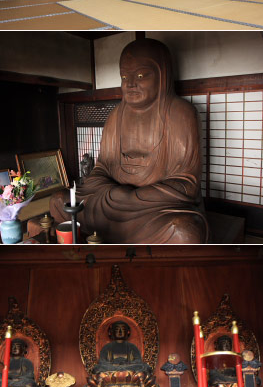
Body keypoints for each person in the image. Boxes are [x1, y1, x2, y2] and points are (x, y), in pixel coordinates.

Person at [82, 39, 208, 243]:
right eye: (124, 76)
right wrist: (115, 193)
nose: (130, 83)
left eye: (141, 75)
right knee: (61, 201)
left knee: (185, 232)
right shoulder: (115, 117)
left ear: (162, 74)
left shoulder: (181, 114)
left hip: (155, 209)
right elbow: (101, 169)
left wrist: (133, 197)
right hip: (114, 201)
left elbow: (187, 184)